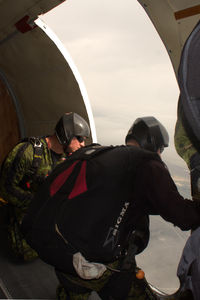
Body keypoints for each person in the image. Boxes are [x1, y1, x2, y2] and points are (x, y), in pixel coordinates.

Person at [22, 116, 200, 300]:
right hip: (97, 265)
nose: (160, 155)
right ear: (152, 142)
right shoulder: (147, 164)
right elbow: (182, 215)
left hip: (62, 255)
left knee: (73, 290)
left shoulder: (98, 153)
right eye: (161, 149)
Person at [0, 112, 90, 261]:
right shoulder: (28, 152)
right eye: (79, 138)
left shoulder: (68, 159)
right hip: (23, 209)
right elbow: (6, 188)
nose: (82, 144)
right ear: (66, 134)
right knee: (26, 253)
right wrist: (37, 203)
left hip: (48, 211)